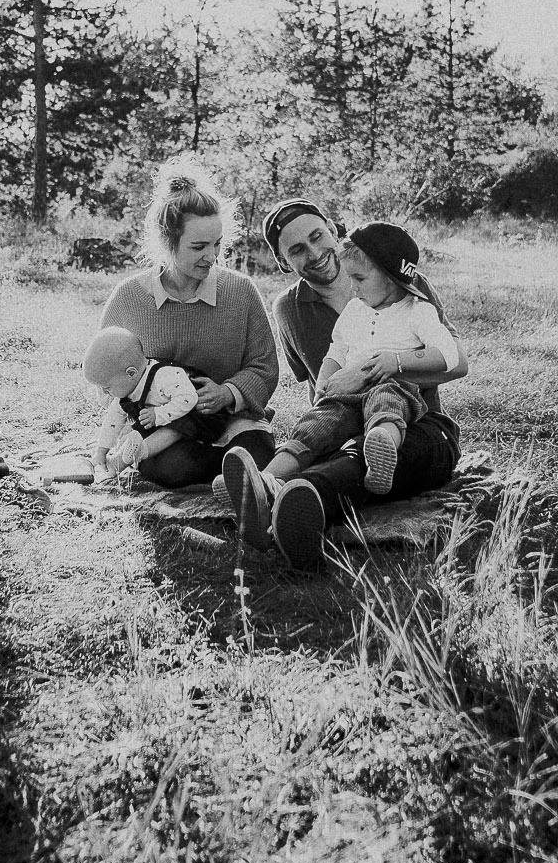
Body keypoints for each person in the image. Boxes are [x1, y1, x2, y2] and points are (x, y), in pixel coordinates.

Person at [225, 198, 466, 569]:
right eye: (297, 250)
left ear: (332, 229)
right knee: (331, 444)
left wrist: (376, 370)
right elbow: (319, 384)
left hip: (420, 426)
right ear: (284, 262)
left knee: (363, 456)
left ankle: (294, 502)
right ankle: (270, 490)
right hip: (347, 421)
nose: (315, 253)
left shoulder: (402, 280)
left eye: (317, 236)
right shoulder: (289, 308)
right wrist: (324, 412)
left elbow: (457, 363)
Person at [94, 165, 280, 488]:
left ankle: (237, 470)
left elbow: (264, 366)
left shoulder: (241, 291)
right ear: (167, 242)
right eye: (199, 247)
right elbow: (105, 378)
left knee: (256, 451)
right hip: (163, 429)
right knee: (170, 468)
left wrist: (227, 393)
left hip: (232, 422)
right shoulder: (128, 298)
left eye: (217, 244)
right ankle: (232, 476)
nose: (212, 256)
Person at [253, 222, 458, 508]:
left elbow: (450, 355)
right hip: (346, 398)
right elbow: (337, 350)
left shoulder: (418, 310)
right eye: (351, 278)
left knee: (387, 403)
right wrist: (324, 382)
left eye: (359, 278)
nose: (353, 286)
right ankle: (264, 480)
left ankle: (381, 452)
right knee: (314, 426)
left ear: (390, 277)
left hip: (393, 387)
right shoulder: (354, 309)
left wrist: (396, 361)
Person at [82, 325, 203, 479]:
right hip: (161, 421)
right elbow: (112, 421)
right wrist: (101, 451)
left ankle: (124, 460)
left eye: (106, 388)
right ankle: (129, 454)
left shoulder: (164, 376)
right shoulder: (126, 392)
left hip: (197, 415)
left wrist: (158, 414)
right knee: (141, 431)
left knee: (173, 429)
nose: (104, 393)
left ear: (131, 373)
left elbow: (188, 398)